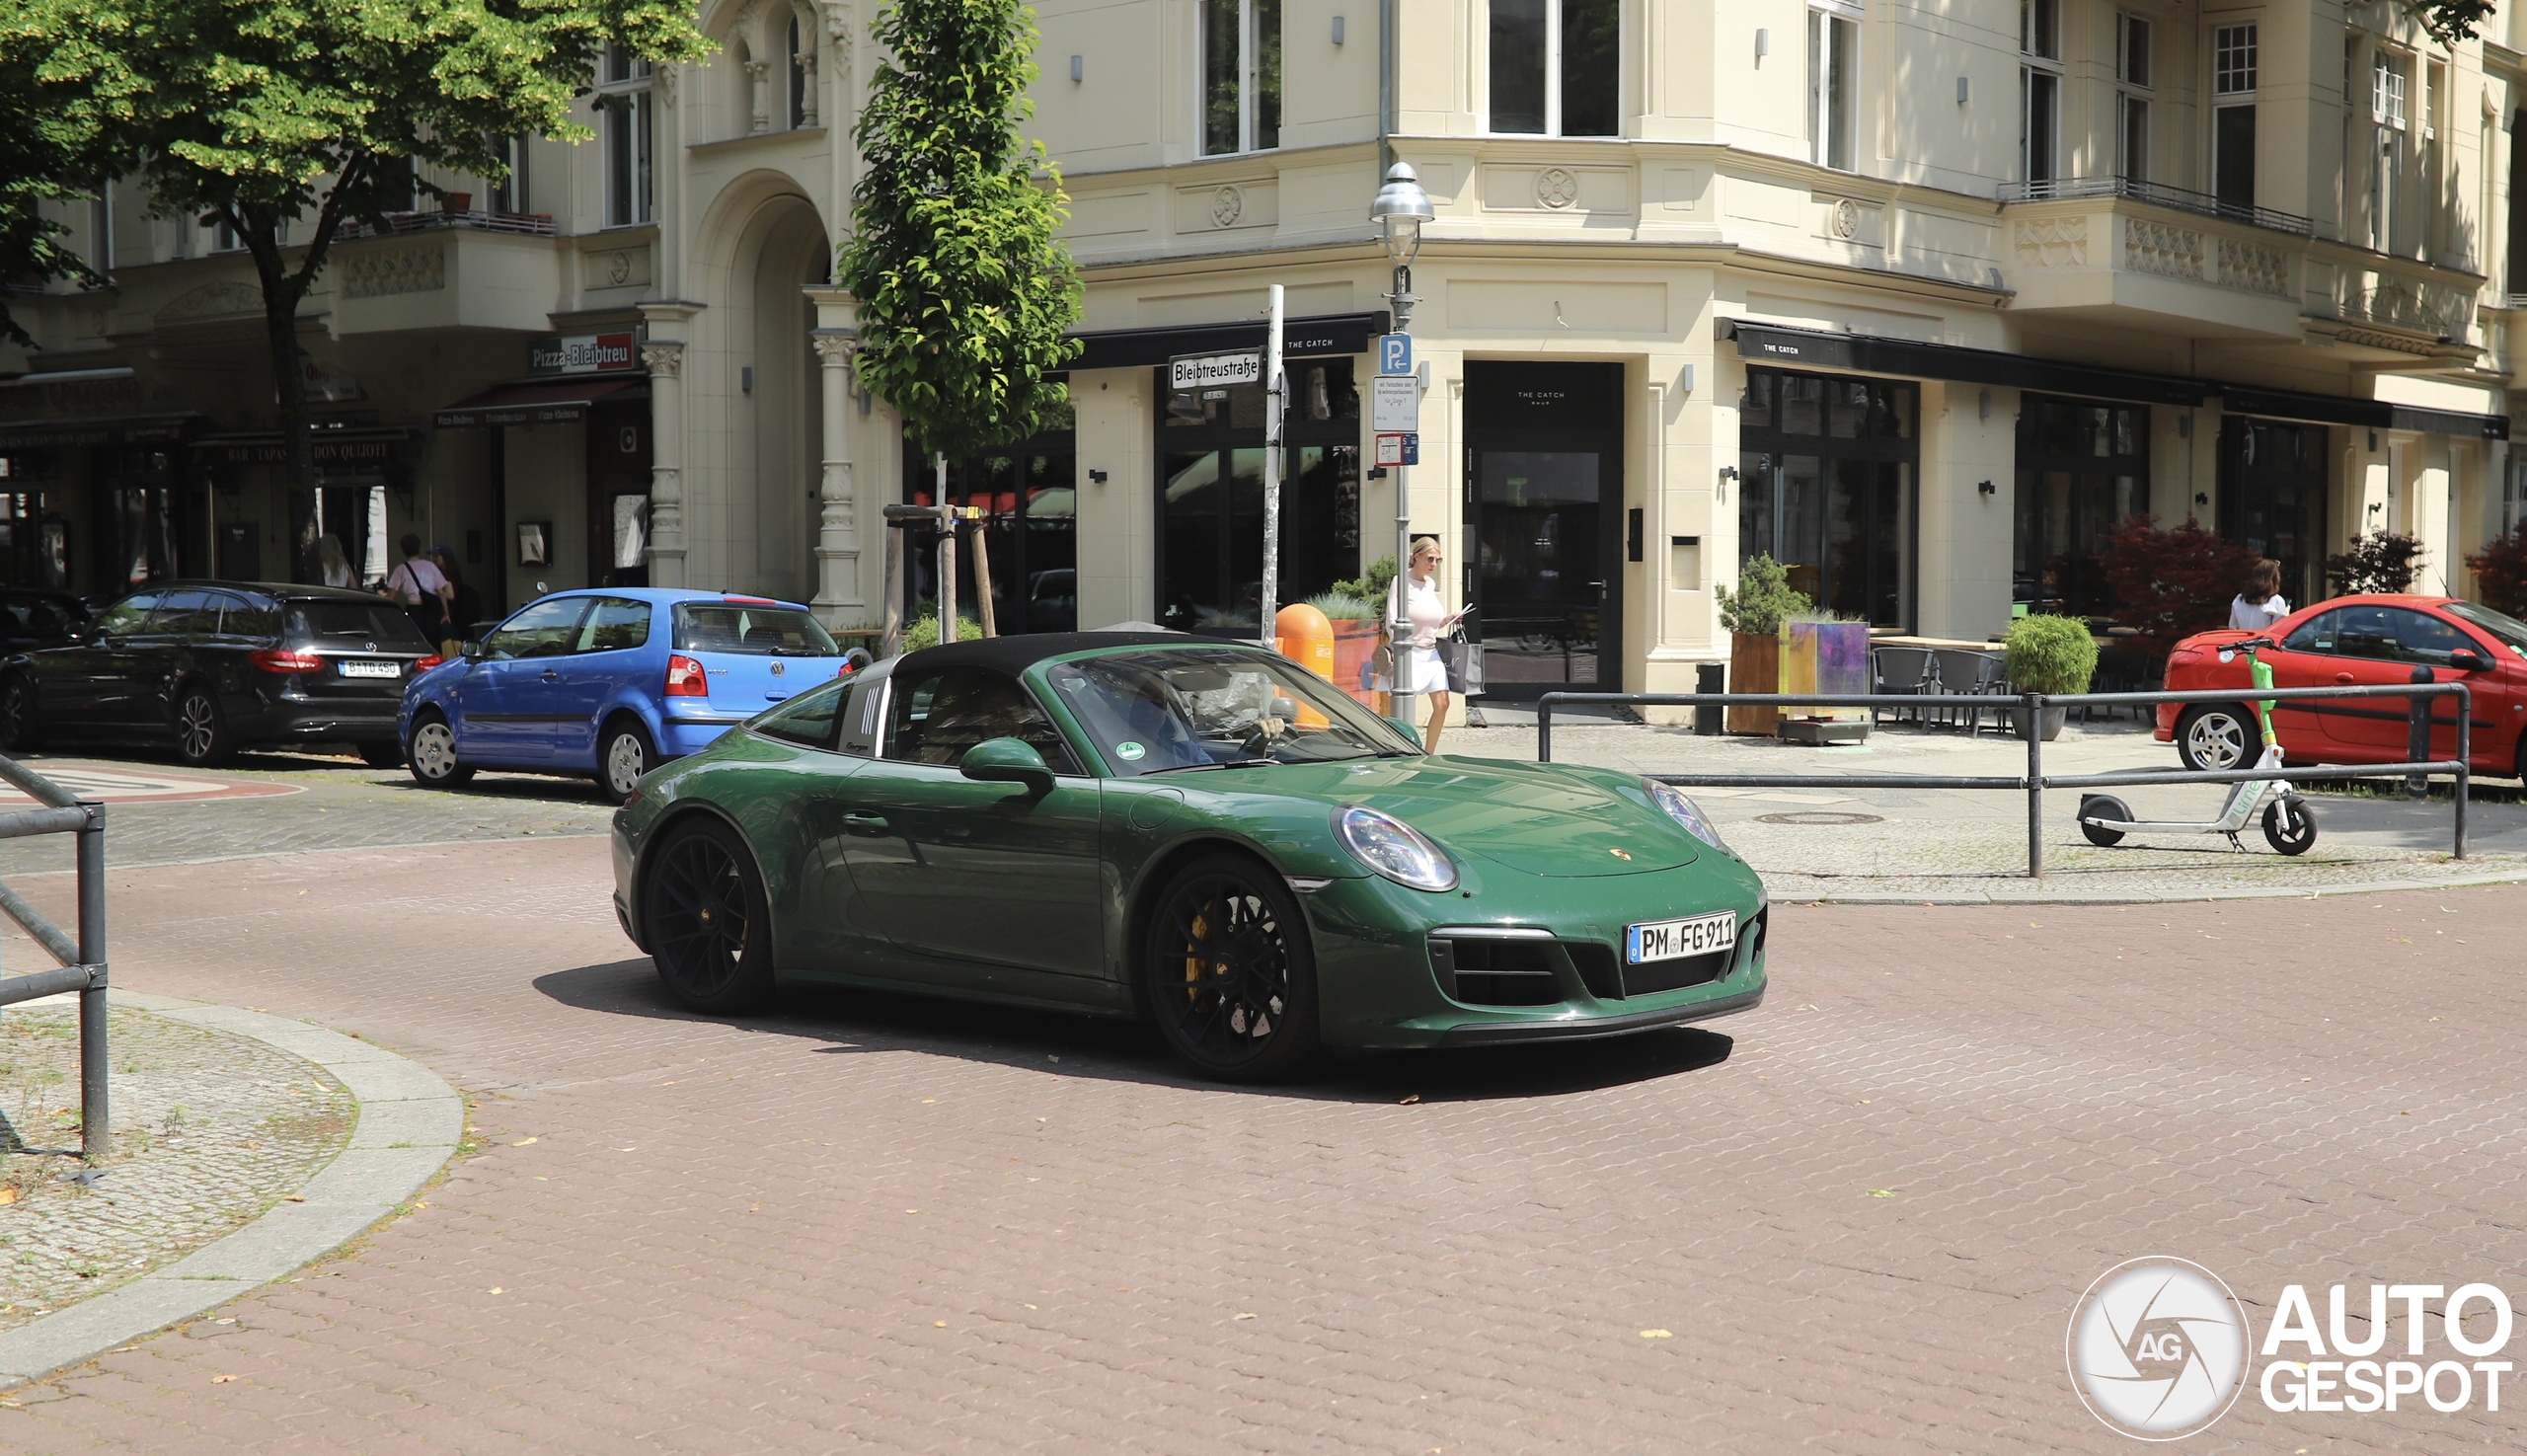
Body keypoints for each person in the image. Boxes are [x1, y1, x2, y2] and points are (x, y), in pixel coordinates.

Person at [1387, 534, 1466, 754]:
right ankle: (1400, 749)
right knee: (1403, 708)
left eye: (1437, 560)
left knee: (1442, 704)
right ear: (1416, 556)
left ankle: (1428, 753)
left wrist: (1447, 620)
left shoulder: (1429, 584)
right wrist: (1397, 649)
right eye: (1430, 559)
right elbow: (1391, 620)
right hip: (1408, 651)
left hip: (1431, 653)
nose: (1433, 565)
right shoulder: (1401, 582)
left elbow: (1429, 622)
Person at [381, 534, 453, 644]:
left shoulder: (401, 569)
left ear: (403, 550)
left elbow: (391, 597)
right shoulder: (431, 566)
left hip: (414, 611)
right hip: (432, 612)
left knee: (415, 642)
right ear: (419, 548)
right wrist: (446, 613)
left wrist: (380, 595)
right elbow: (441, 593)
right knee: (433, 643)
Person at [430, 546, 484, 652]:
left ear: (445, 557)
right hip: (455, 615)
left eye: (437, 556)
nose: (434, 559)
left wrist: (436, 593)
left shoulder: (445, 575)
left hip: (448, 616)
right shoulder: (454, 573)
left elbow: (450, 595)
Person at [2229, 558, 2290, 633]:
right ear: (2275, 580)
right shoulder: (2276, 601)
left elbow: (2232, 627)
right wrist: (2286, 614)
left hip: (2242, 642)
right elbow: (2279, 630)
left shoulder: (2239, 599)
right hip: (2265, 643)